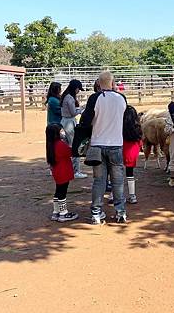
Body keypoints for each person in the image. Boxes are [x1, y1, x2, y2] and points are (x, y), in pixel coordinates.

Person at [80, 71, 128, 224]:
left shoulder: (95, 98)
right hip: (116, 144)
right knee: (118, 180)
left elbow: (85, 121)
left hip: (97, 145)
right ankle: (121, 212)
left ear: (99, 84)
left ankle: (96, 213)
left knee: (99, 181)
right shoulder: (121, 98)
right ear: (113, 83)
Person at [46, 123, 78, 222]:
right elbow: (71, 152)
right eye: (61, 131)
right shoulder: (60, 144)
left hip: (57, 172)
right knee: (62, 193)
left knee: (58, 191)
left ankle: (56, 211)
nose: (63, 132)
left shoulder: (51, 145)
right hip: (64, 172)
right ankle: (63, 213)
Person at [61, 79, 87, 179]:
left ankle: (70, 169)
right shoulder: (70, 98)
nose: (78, 91)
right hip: (69, 122)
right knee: (74, 145)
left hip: (65, 121)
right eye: (78, 89)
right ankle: (76, 170)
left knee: (68, 145)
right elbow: (73, 113)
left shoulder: (65, 96)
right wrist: (81, 109)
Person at [122, 105, 143, 204]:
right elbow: (140, 142)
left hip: (121, 150)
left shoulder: (121, 128)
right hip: (132, 152)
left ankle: (114, 196)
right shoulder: (138, 129)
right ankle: (132, 195)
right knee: (130, 173)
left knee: (116, 173)